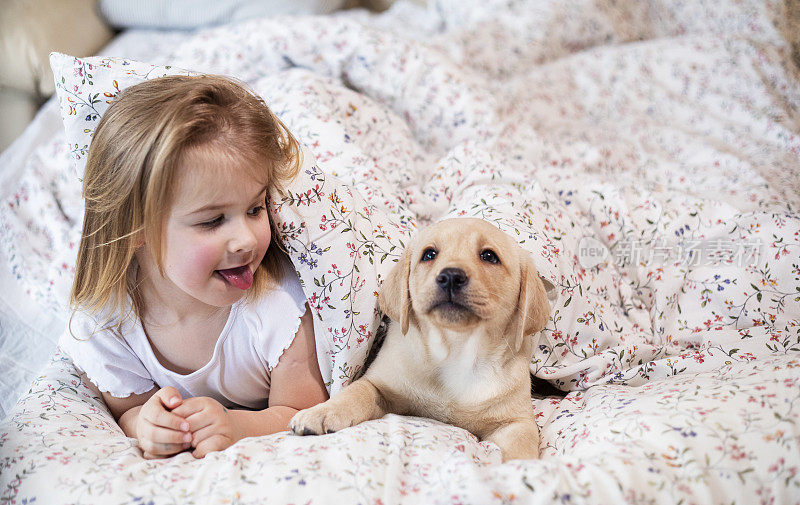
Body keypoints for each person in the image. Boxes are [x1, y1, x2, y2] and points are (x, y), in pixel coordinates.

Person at [59, 75, 329, 459]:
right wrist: (148, 423)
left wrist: (238, 426)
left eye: (255, 209)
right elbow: (129, 409)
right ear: (135, 228)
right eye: (212, 220)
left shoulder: (279, 305)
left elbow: (302, 413)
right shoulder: (107, 322)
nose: (247, 240)